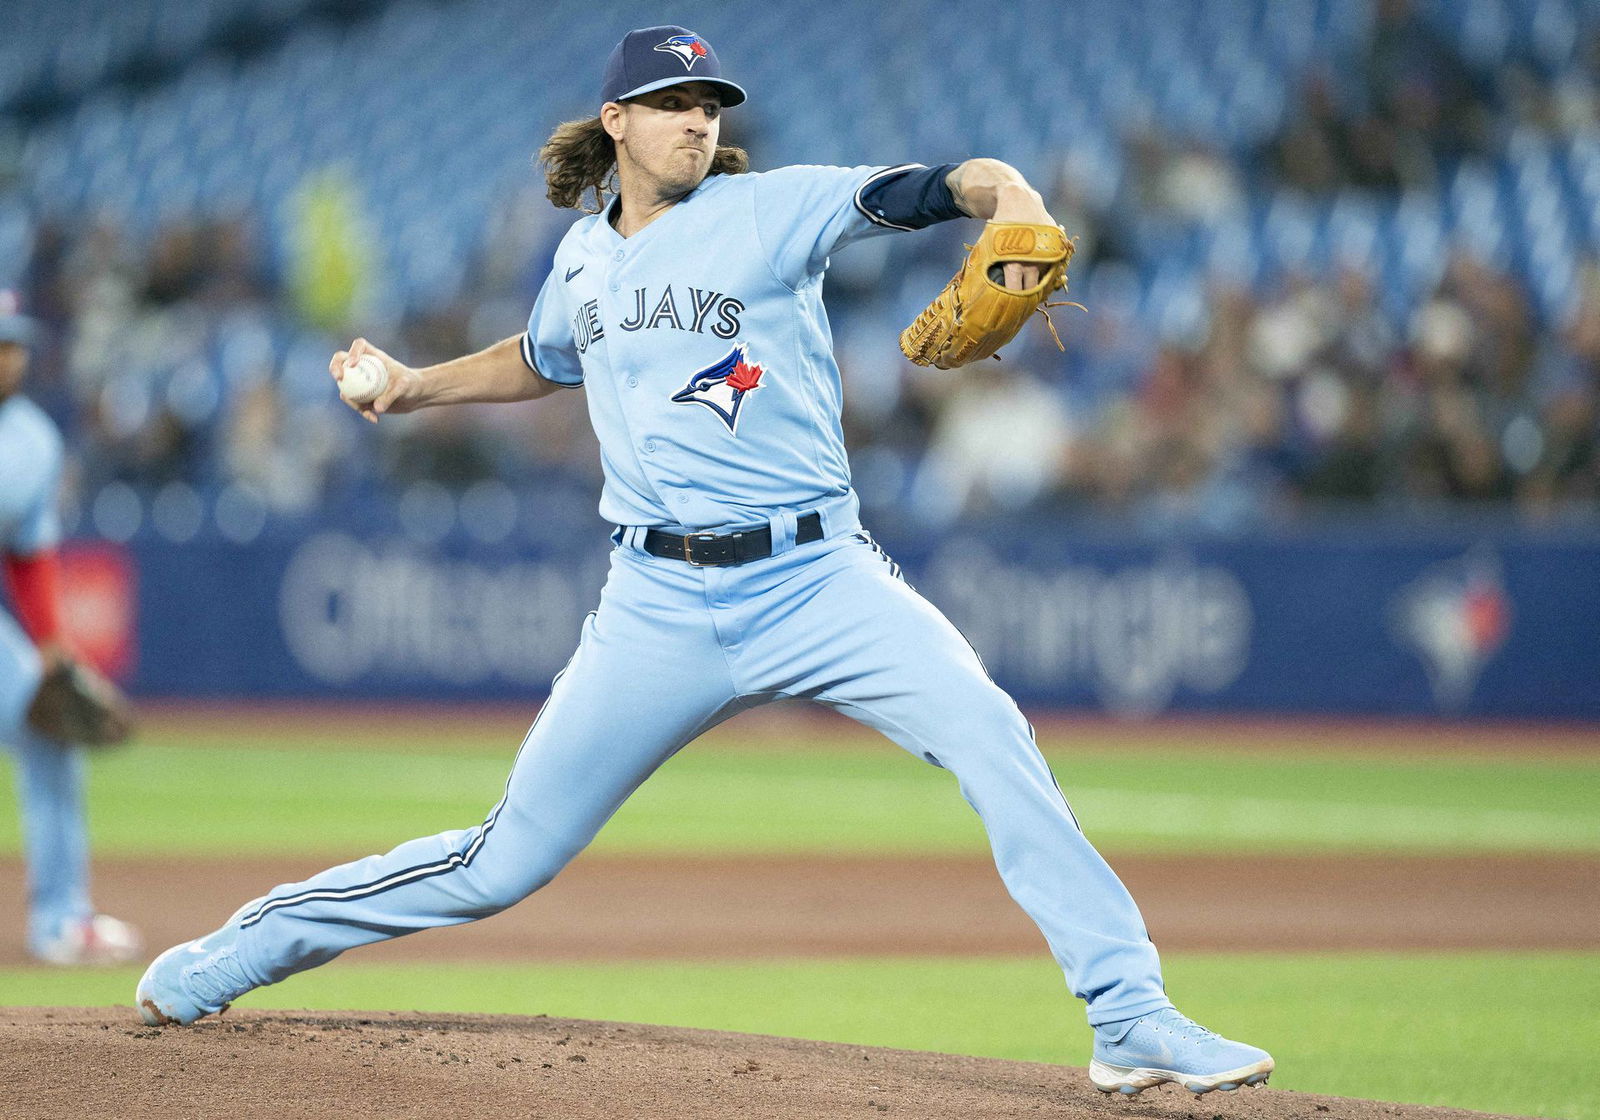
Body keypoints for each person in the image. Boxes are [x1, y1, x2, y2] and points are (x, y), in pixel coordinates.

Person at [136, 26, 1272, 1096]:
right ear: (615, 121)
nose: (695, 120)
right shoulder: (581, 258)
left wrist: (1009, 192)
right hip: (658, 601)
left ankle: (1126, 1013)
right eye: (671, 103)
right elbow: (541, 359)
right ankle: (249, 945)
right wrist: (413, 384)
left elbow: (935, 187)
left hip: (817, 577)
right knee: (501, 862)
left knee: (990, 734)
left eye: (707, 104)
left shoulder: (772, 208)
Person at [0, 292, 142, 966]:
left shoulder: (32, 440)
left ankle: (63, 919)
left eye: (13, 343)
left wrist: (52, 646)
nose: (7, 357)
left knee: (47, 726)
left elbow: (27, 555)